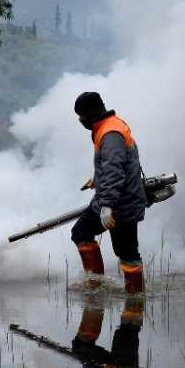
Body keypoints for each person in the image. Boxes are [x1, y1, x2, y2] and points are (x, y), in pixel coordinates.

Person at [71, 92, 146, 293]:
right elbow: (113, 164)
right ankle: (96, 284)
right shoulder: (108, 126)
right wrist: (97, 179)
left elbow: (115, 171)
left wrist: (107, 206)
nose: (80, 120)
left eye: (81, 116)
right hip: (117, 200)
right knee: (81, 232)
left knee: (127, 253)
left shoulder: (110, 133)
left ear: (91, 113)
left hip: (121, 204)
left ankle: (134, 301)